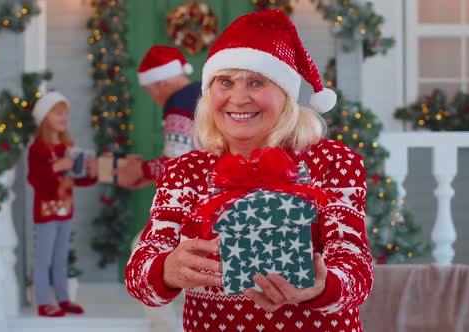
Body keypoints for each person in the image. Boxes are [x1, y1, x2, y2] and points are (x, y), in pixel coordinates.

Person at [125, 9, 374, 332]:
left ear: (286, 95)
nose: (238, 98)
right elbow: (138, 276)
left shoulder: (333, 163)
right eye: (225, 82)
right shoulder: (185, 171)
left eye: (257, 82)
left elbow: (356, 270)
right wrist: (167, 270)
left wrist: (324, 286)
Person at [27, 91, 97, 317]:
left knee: (61, 258)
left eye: (65, 113)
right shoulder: (38, 148)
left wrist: (90, 173)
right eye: (58, 113)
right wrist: (57, 167)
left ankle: (63, 298)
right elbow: (35, 180)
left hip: (65, 210)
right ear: (46, 116)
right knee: (44, 259)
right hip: (46, 212)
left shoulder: (68, 146)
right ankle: (42, 302)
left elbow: (77, 180)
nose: (63, 118)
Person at [115, 45, 200, 189]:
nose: (154, 99)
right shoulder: (202, 91)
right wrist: (150, 176)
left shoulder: (179, 103)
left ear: (161, 84)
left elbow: (178, 164)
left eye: (151, 92)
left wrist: (138, 170)